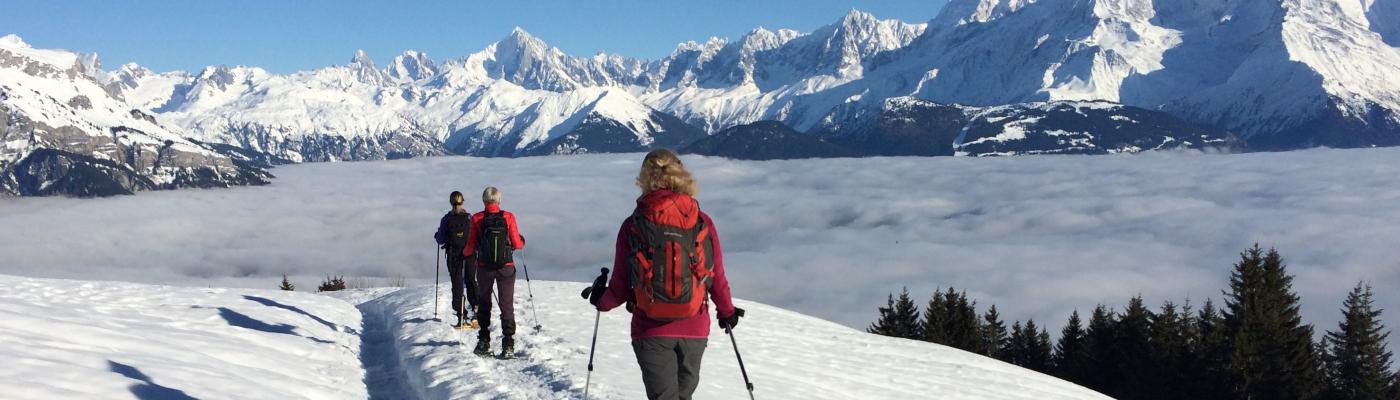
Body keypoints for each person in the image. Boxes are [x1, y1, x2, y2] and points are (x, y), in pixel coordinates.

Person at [582, 149, 744, 400]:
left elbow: (622, 284)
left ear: (645, 178)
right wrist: (727, 312)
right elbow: (714, 274)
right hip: (695, 327)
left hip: (650, 328)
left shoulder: (633, 224)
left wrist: (602, 301)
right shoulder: (702, 221)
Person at [463, 186, 525, 358]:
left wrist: (465, 254)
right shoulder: (508, 217)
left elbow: (469, 247)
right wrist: (521, 241)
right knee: (506, 305)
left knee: (484, 303)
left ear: (484, 201)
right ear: (499, 201)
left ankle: (484, 341)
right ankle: (508, 344)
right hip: (506, 267)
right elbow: (517, 244)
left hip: (484, 268)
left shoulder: (477, 218)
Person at [433, 191, 477, 328]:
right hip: (470, 255)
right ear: (463, 201)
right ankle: (476, 311)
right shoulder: (470, 218)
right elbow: (476, 236)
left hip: (454, 255)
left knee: (457, 284)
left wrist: (437, 235)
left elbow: (440, 240)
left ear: (450, 202)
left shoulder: (446, 219)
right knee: (471, 281)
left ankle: (461, 316)